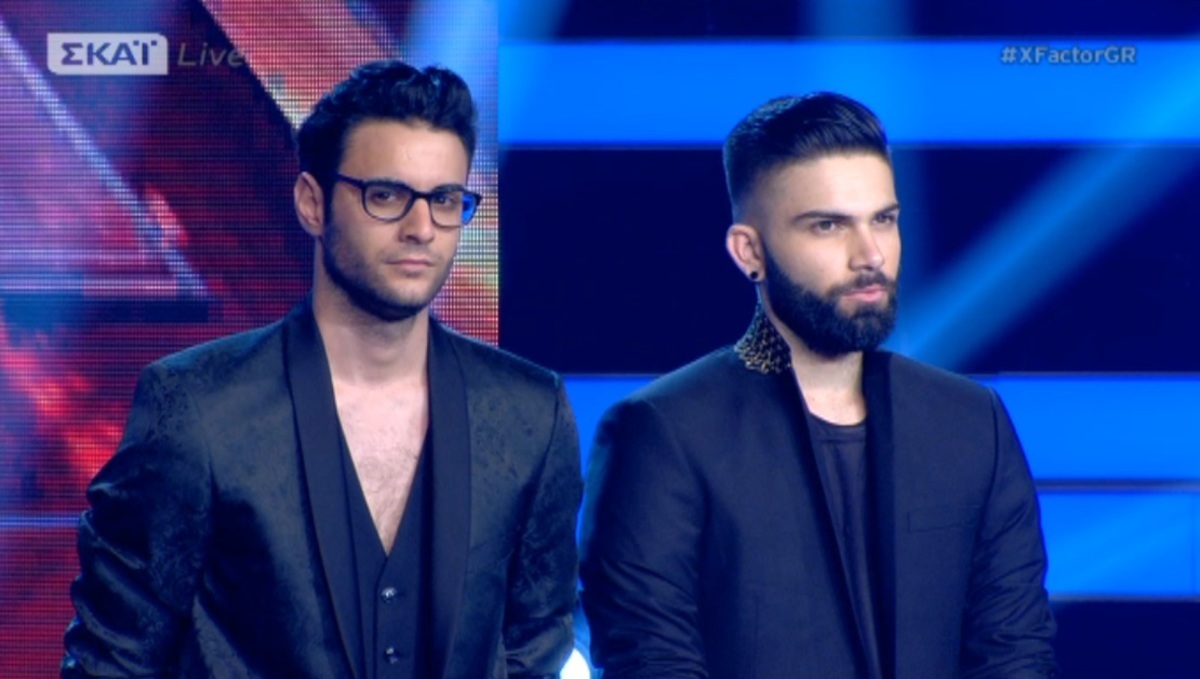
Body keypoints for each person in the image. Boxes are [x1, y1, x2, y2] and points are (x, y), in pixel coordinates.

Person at [63, 60, 582, 678]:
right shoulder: (196, 407)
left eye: (444, 200)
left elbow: (534, 645)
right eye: (386, 196)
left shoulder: (531, 413)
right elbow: (114, 661)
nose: (422, 229)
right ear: (313, 203)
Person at [579, 92, 1057, 678]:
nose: (870, 255)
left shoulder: (971, 422)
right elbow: (651, 659)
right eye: (829, 226)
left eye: (884, 220)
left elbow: (1015, 651)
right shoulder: (663, 433)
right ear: (749, 251)